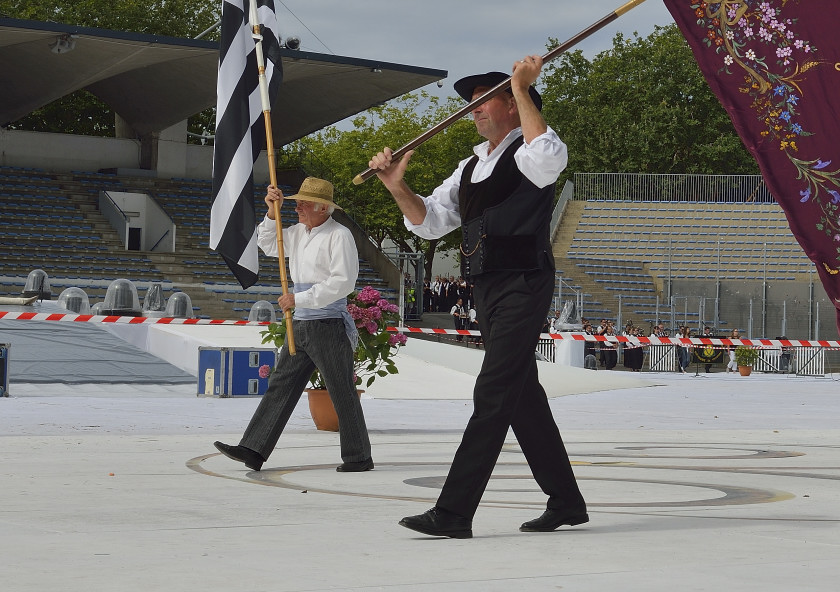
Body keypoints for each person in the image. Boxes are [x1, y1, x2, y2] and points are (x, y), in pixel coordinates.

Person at [368, 57, 587, 539]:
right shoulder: (468, 166)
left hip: (525, 282)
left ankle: (453, 512)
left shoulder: (532, 149)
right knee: (521, 395)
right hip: (485, 288)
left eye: (485, 99)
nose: (474, 110)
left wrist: (526, 90)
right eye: (470, 103)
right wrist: (395, 184)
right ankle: (567, 501)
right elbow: (429, 223)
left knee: (492, 391)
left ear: (512, 105)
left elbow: (549, 158)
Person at [213, 177, 372, 473]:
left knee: (341, 390)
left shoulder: (340, 235)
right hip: (299, 322)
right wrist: (273, 211)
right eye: (296, 201)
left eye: (303, 203)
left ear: (322, 207)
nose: (297, 207)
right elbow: (269, 244)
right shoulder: (298, 232)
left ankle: (359, 456)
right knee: (281, 384)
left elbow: (343, 282)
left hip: (328, 323)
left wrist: (301, 298)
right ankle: (254, 449)